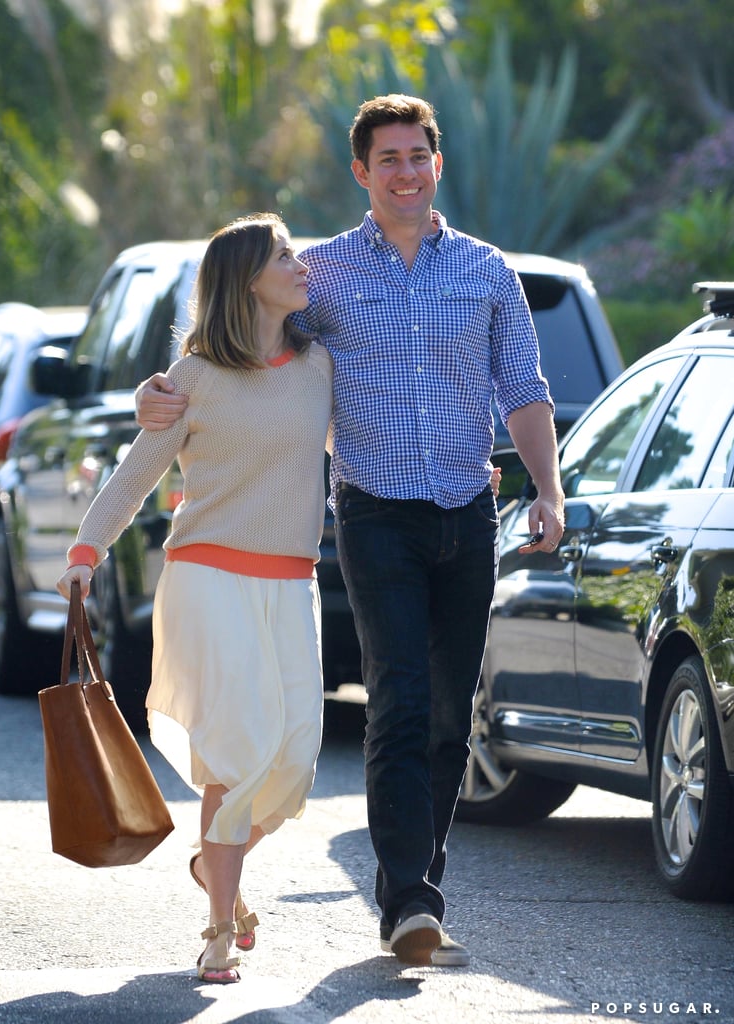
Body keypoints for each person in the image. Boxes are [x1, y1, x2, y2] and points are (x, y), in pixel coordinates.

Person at [135, 94, 565, 969]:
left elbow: (523, 390)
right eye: (389, 159)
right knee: (398, 700)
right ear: (362, 173)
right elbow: (239, 347)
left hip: (466, 510)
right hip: (372, 514)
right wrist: (158, 395)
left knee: (451, 712)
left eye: (419, 156)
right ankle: (408, 898)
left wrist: (547, 491)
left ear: (436, 165)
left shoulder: (487, 272)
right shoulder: (321, 273)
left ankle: (420, 880)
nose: (405, 172)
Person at [57, 213, 333, 984]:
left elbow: (362, 449)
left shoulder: (319, 368)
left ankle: (219, 870)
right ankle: (218, 928)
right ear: (247, 279)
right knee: (237, 751)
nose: (299, 263)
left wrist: (451, 472)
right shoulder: (196, 374)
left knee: (294, 759)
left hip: (291, 584)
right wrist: (86, 552)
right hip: (208, 578)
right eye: (283, 255)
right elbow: (138, 470)